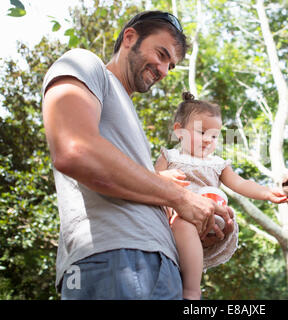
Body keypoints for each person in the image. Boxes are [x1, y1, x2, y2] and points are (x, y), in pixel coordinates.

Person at [41, 11, 233, 300]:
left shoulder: (128, 118)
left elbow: (131, 187)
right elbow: (75, 150)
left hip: (159, 268)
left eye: (171, 65)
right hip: (119, 260)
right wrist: (180, 197)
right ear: (130, 37)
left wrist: (195, 224)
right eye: (161, 53)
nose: (165, 70)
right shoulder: (84, 63)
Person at [155, 92, 288, 300]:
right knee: (182, 227)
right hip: (175, 218)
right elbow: (151, 178)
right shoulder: (170, 156)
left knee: (199, 221)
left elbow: (240, 183)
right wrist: (164, 176)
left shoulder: (217, 163)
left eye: (215, 136)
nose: (209, 140)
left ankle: (192, 290)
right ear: (179, 131)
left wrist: (266, 193)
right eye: (202, 132)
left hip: (211, 216)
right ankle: (187, 284)